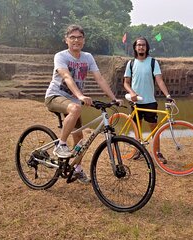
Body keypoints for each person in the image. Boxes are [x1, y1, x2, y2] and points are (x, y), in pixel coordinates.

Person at [45, 24, 122, 183]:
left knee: (80, 138)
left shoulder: (88, 57)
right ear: (66, 40)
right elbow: (66, 77)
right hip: (55, 96)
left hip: (73, 102)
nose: (76, 40)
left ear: (84, 40)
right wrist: (80, 95)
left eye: (79, 37)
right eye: (72, 37)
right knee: (75, 108)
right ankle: (61, 144)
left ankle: (77, 169)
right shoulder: (61, 56)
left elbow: (99, 78)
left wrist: (113, 98)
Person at [123, 36, 173, 161]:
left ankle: (157, 153)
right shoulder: (131, 63)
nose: (141, 47)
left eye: (143, 45)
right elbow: (126, 82)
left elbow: (159, 80)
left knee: (154, 129)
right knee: (137, 128)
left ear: (146, 47)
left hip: (150, 102)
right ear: (135, 47)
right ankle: (138, 150)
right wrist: (132, 92)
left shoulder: (153, 62)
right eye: (138, 45)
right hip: (136, 102)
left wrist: (168, 95)